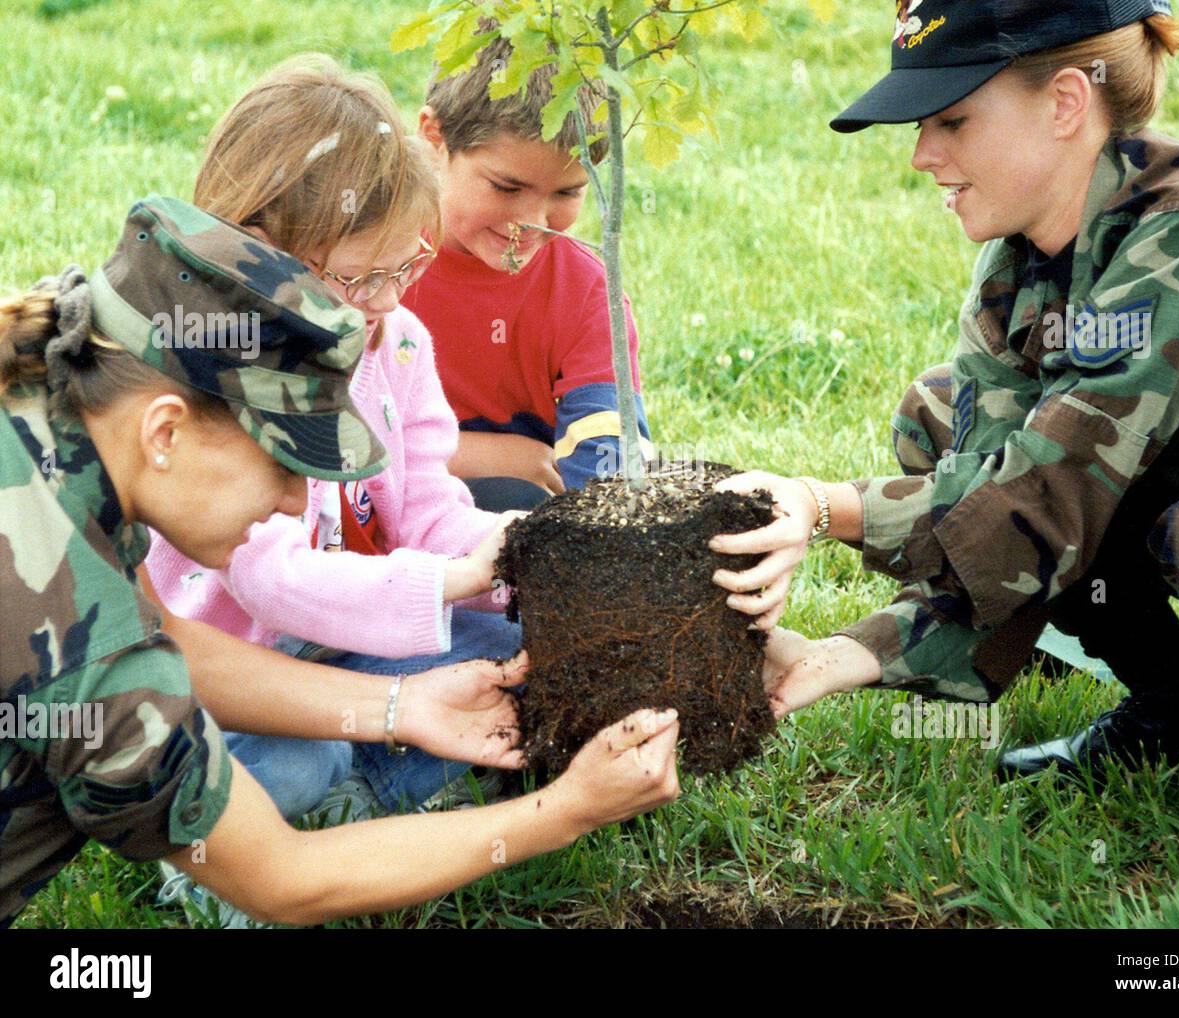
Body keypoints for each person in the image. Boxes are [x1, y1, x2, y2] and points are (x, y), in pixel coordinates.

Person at [714, 0, 1179, 920]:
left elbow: (1054, 492)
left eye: (952, 121)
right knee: (940, 414)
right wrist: (839, 653)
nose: (921, 156)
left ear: (1067, 102)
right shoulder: (1020, 254)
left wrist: (825, 510)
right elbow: (994, 489)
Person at [0, 194, 680, 928]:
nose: (300, 503)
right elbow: (284, 878)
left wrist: (401, 707)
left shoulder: (57, 387)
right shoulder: (86, 649)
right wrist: (565, 809)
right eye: (286, 465)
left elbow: (170, 638)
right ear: (165, 433)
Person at [144, 56, 526, 823]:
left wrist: (515, 553)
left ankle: (357, 805)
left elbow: (427, 510)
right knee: (294, 764)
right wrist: (451, 583)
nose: (385, 301)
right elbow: (271, 580)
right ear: (257, 252)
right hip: (236, 678)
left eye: (404, 266)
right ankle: (246, 850)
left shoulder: (398, 343)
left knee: (517, 663)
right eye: (355, 279)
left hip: (361, 640)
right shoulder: (222, 369)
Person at [403, 34, 653, 497]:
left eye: (566, 192)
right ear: (435, 137)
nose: (533, 223)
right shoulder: (363, 262)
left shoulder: (584, 290)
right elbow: (310, 427)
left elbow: (611, 455)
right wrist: (467, 454)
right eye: (506, 188)